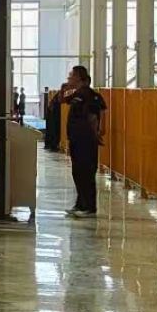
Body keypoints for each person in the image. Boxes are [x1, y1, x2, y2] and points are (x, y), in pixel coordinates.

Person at [61, 65, 107, 216]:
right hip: (77, 139)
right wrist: (66, 87)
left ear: (78, 77)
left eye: (71, 75)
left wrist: (97, 133)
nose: (69, 78)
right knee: (78, 172)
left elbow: (96, 115)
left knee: (86, 173)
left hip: (86, 140)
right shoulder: (77, 94)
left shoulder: (88, 95)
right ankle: (81, 204)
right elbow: (62, 100)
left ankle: (89, 207)